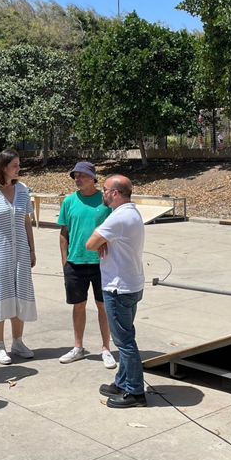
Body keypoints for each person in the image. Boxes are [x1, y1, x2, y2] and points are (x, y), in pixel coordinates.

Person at [85, 175, 147, 409]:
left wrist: (101, 240)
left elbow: (89, 243)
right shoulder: (131, 213)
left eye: (105, 189)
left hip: (119, 288)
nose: (102, 193)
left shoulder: (119, 217)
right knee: (125, 338)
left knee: (125, 342)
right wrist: (104, 241)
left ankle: (135, 392)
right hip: (130, 284)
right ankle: (123, 382)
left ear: (115, 194)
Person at [0, 149, 37, 364]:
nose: (18, 168)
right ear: (3, 167)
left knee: (19, 294)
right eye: (14, 165)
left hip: (20, 251)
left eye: (19, 164)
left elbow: (26, 221)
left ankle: (18, 342)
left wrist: (31, 249)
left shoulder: (22, 190)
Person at [57, 161, 115, 368]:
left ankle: (106, 348)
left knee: (103, 305)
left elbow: (116, 229)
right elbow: (63, 234)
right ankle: (78, 347)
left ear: (92, 177)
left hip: (102, 264)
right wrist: (65, 261)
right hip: (75, 262)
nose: (77, 179)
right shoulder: (69, 201)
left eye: (81, 175)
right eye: (75, 176)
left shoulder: (106, 200)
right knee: (78, 305)